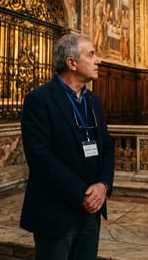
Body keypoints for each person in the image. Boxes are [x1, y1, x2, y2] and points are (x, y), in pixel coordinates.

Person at [20, 33, 115, 260]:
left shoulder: (93, 100)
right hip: (56, 211)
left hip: (91, 210)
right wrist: (82, 195)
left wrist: (102, 185)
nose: (98, 60)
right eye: (91, 54)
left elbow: (107, 147)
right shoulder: (39, 100)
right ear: (71, 63)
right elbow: (40, 157)